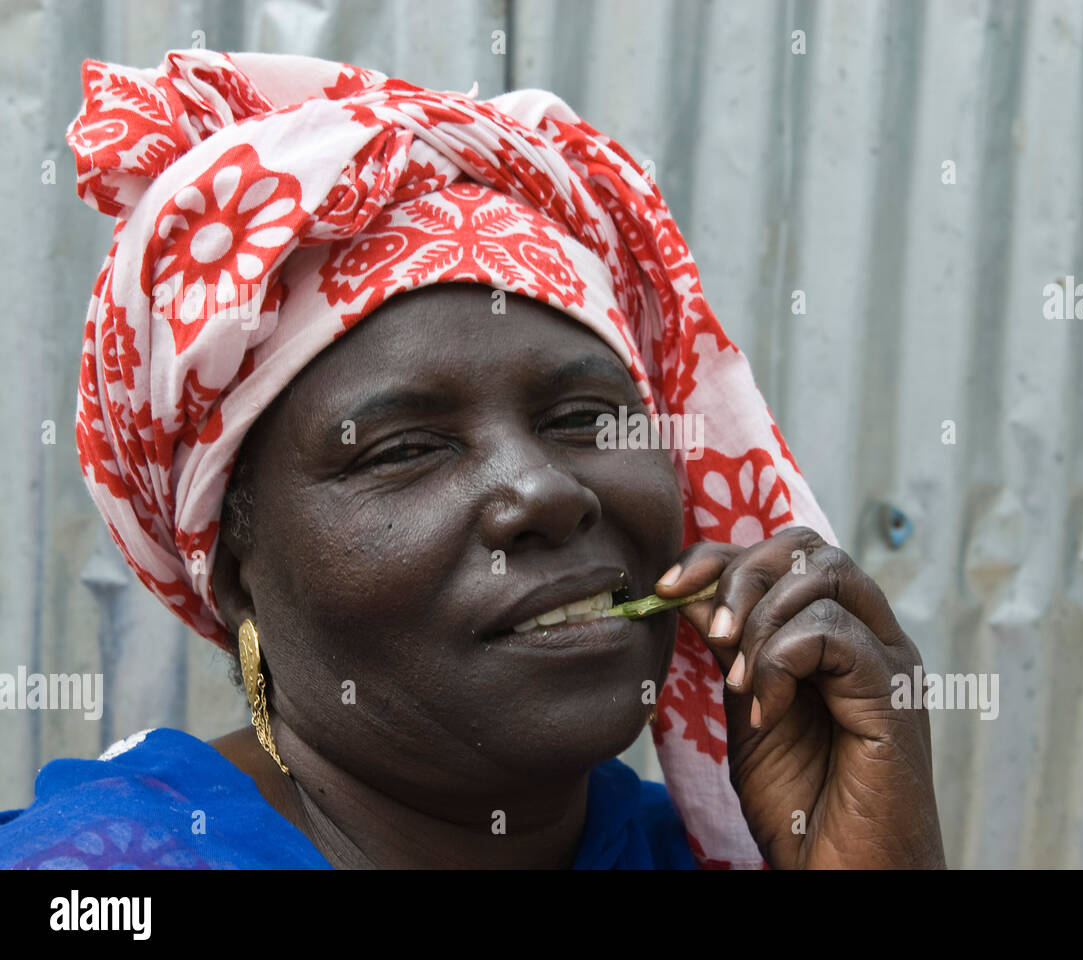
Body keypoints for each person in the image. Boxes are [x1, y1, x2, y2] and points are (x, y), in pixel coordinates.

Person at [0, 50, 944, 869]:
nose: (545, 491)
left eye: (585, 419)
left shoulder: (713, 847)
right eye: (405, 448)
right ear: (236, 575)